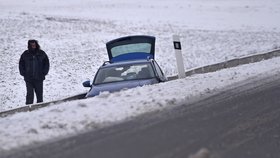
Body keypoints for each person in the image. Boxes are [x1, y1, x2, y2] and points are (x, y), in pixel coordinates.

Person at [19, 39, 50, 105]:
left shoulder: (42, 53)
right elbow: (21, 64)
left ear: (36, 44)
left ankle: (40, 110)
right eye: (32, 44)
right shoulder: (25, 54)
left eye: (34, 44)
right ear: (29, 45)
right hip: (28, 79)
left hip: (39, 78)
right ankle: (28, 110)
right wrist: (23, 73)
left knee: (39, 96)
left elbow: (46, 63)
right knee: (29, 95)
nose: (33, 45)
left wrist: (44, 72)